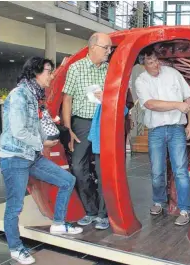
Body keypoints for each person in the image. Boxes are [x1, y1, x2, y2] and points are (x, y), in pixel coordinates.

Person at [0, 57, 83, 265]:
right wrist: (42, 143)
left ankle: (58, 223)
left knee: (67, 180)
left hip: (32, 155)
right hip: (15, 157)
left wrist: (49, 136)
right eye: (47, 71)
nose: (51, 75)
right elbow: (18, 131)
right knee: (15, 206)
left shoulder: (35, 96)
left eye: (52, 71)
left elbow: (37, 126)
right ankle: (16, 249)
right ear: (34, 72)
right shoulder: (19, 95)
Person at [135, 47, 190, 226]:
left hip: (177, 128)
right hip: (156, 130)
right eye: (150, 62)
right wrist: (177, 105)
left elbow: (188, 98)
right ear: (143, 65)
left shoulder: (173, 73)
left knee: (180, 170)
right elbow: (151, 104)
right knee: (157, 171)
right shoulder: (141, 81)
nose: (155, 65)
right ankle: (158, 201)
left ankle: (185, 209)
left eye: (155, 60)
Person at [62, 32, 112, 230]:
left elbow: (122, 99)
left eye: (110, 48)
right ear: (92, 47)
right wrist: (68, 129)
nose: (109, 51)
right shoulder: (76, 68)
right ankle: (90, 210)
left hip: (104, 123)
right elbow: (68, 98)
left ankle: (103, 214)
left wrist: (107, 96)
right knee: (78, 167)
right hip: (81, 124)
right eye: (106, 48)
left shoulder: (111, 70)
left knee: (104, 170)